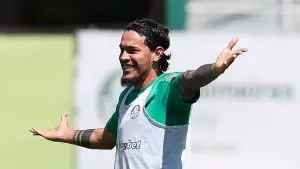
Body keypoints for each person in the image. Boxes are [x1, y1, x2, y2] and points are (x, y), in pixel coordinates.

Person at [29, 19, 248, 169]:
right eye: (121, 50)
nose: (123, 57)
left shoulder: (166, 87)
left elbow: (192, 79)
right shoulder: (127, 96)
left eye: (132, 50)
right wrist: (66, 135)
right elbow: (106, 138)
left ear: (157, 54)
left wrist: (214, 69)